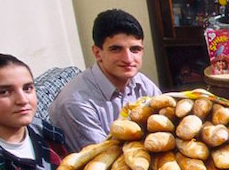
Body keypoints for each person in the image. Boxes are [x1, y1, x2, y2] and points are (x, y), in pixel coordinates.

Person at [50, 9, 161, 152]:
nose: (128, 59)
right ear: (97, 53)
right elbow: (103, 158)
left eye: (135, 49)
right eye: (116, 49)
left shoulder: (141, 82)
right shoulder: (75, 102)